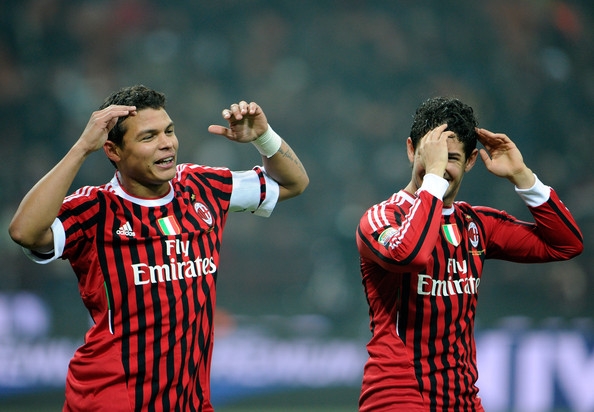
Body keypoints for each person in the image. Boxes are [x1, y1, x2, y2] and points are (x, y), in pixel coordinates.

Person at [8, 85, 309, 411]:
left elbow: (294, 183)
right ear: (113, 151)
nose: (166, 143)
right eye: (148, 137)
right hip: (113, 399)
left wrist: (263, 137)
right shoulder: (96, 209)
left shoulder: (202, 187)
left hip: (189, 401)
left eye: (169, 131)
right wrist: (81, 148)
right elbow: (24, 232)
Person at [355, 96, 583, 411]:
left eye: (451, 158)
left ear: (471, 160)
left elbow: (566, 244)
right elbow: (410, 256)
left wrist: (522, 176)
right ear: (411, 150)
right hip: (400, 396)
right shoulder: (381, 219)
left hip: (463, 400)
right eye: (430, 156)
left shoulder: (476, 225)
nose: (439, 167)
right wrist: (433, 179)